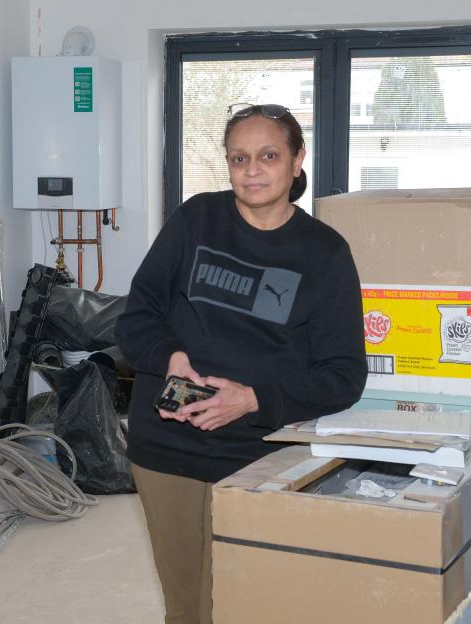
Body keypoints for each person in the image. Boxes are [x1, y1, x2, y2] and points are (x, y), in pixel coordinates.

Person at [115, 103, 368, 624]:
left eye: (268, 155)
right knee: (188, 607)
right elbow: (137, 316)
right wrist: (171, 359)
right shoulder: (195, 219)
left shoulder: (325, 253)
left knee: (249, 603)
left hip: (259, 453)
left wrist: (252, 400)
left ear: (298, 161)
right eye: (239, 158)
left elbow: (343, 375)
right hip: (168, 449)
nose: (252, 169)